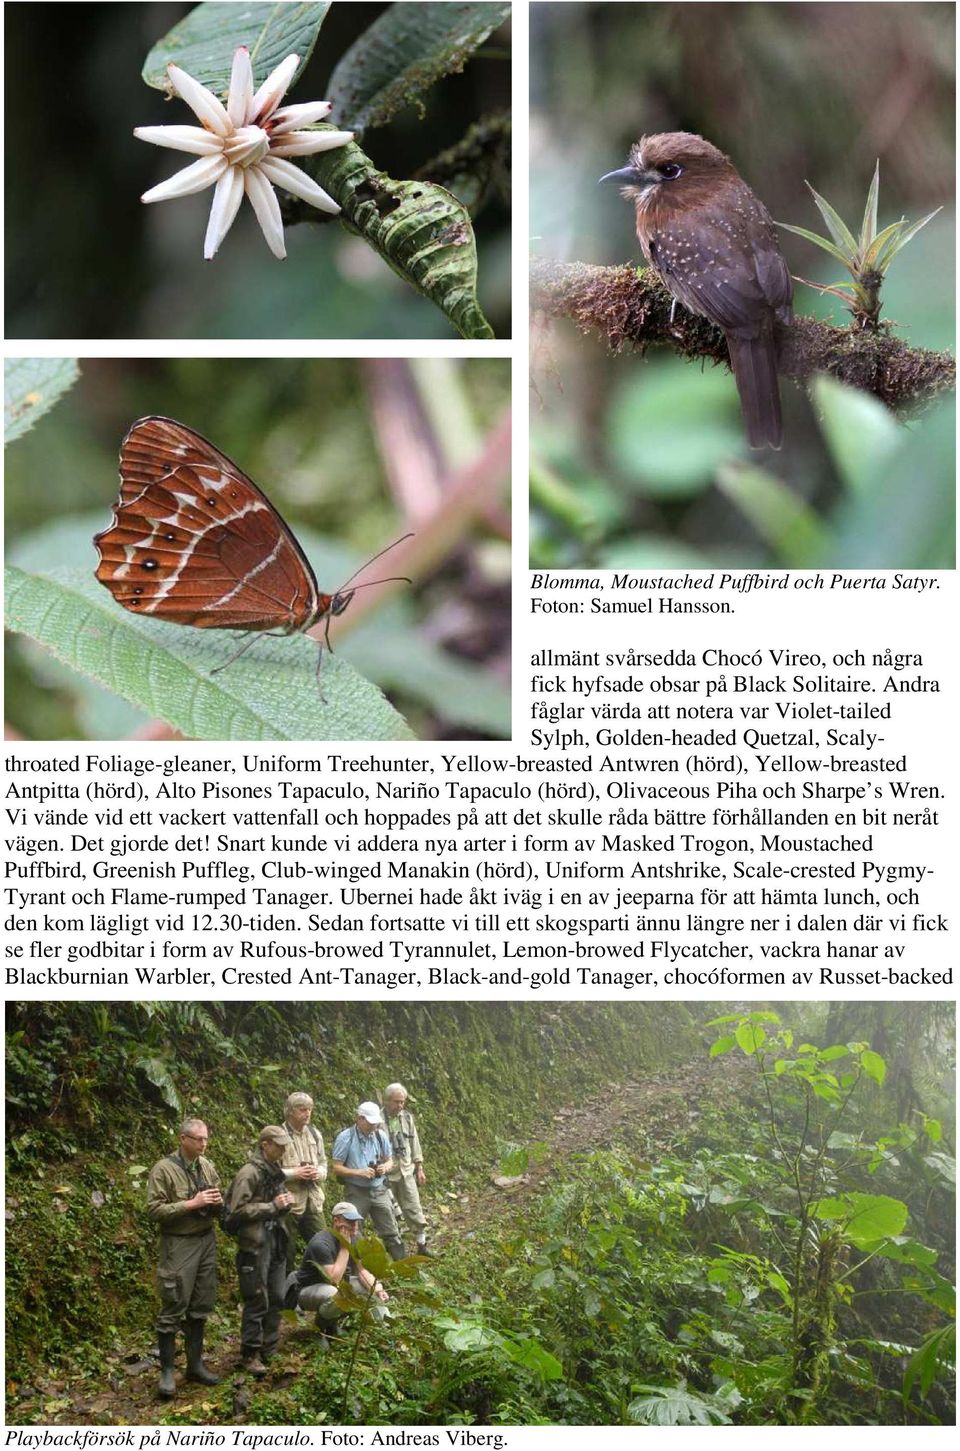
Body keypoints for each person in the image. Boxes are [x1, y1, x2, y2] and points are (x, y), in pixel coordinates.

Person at [146, 1117, 223, 1400]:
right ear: (183, 1139)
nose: (203, 1144)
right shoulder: (163, 1170)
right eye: (198, 1139)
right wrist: (192, 1203)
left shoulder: (207, 1166)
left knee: (201, 1304)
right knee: (174, 1302)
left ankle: (195, 1365)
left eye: (206, 1139)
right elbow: (154, 1210)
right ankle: (167, 1371)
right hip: (178, 1243)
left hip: (205, 1240)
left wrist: (216, 1202)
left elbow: (216, 1195)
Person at [225, 1125, 295, 1376]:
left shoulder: (274, 1171)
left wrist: (284, 1204)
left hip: (276, 1238)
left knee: (277, 1294)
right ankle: (250, 1354)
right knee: (256, 1298)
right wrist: (271, 1206)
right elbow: (236, 1212)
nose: (283, 1149)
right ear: (264, 1144)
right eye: (278, 1144)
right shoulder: (249, 1173)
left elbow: (278, 1200)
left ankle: (270, 1347)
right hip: (254, 1243)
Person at [285, 1201, 391, 1336]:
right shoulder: (321, 1243)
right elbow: (333, 1279)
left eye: (356, 1222)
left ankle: (384, 1330)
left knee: (370, 1288)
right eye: (350, 1222)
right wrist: (345, 1247)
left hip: (336, 1285)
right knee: (335, 1294)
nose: (354, 1227)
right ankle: (319, 1330)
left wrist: (377, 1290)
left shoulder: (355, 1237)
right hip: (307, 1290)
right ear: (336, 1221)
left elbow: (362, 1270)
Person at [331, 1102, 405, 1260]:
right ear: (359, 1119)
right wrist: (359, 1172)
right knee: (354, 1229)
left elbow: (390, 1160)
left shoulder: (380, 1135)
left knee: (391, 1229)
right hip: (356, 1191)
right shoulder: (345, 1138)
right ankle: (360, 1267)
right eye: (370, 1123)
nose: (373, 1126)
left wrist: (384, 1167)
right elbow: (336, 1167)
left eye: (375, 1123)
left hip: (379, 1189)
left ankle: (402, 1265)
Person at [279, 1091, 327, 1268]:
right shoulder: (278, 1136)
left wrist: (318, 1173)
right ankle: (285, 1293)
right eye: (302, 1109)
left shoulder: (315, 1134)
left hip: (313, 1200)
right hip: (288, 1204)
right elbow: (267, 1172)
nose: (307, 1113)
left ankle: (320, 1289)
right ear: (290, 1111)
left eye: (310, 1109)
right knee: (285, 1253)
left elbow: (323, 1163)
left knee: (323, 1247)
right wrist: (295, 1173)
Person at [383, 1082, 431, 1255]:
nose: (400, 1105)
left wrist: (419, 1167)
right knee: (390, 1213)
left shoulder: (407, 1118)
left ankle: (422, 1245)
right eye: (396, 1102)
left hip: (406, 1170)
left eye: (402, 1102)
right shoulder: (379, 1120)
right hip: (387, 1174)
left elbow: (414, 1143)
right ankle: (396, 1252)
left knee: (413, 1206)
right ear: (387, 1101)